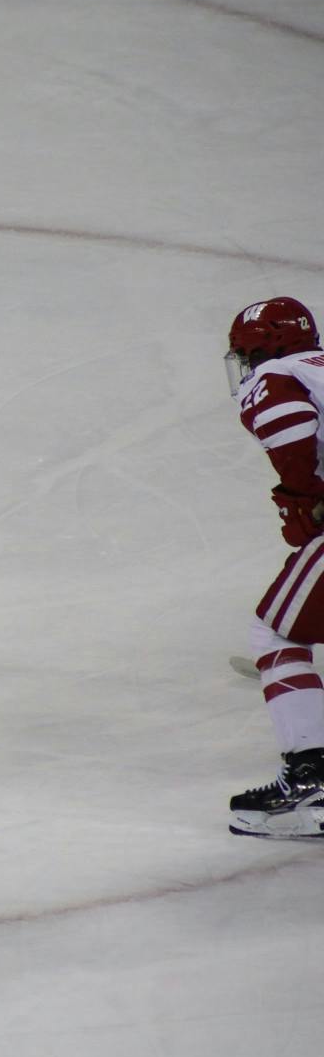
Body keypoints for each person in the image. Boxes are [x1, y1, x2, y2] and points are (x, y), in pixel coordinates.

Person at [224, 296, 324, 840]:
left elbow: (288, 425)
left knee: (276, 632)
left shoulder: (277, 373)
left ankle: (313, 780)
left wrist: (300, 495)